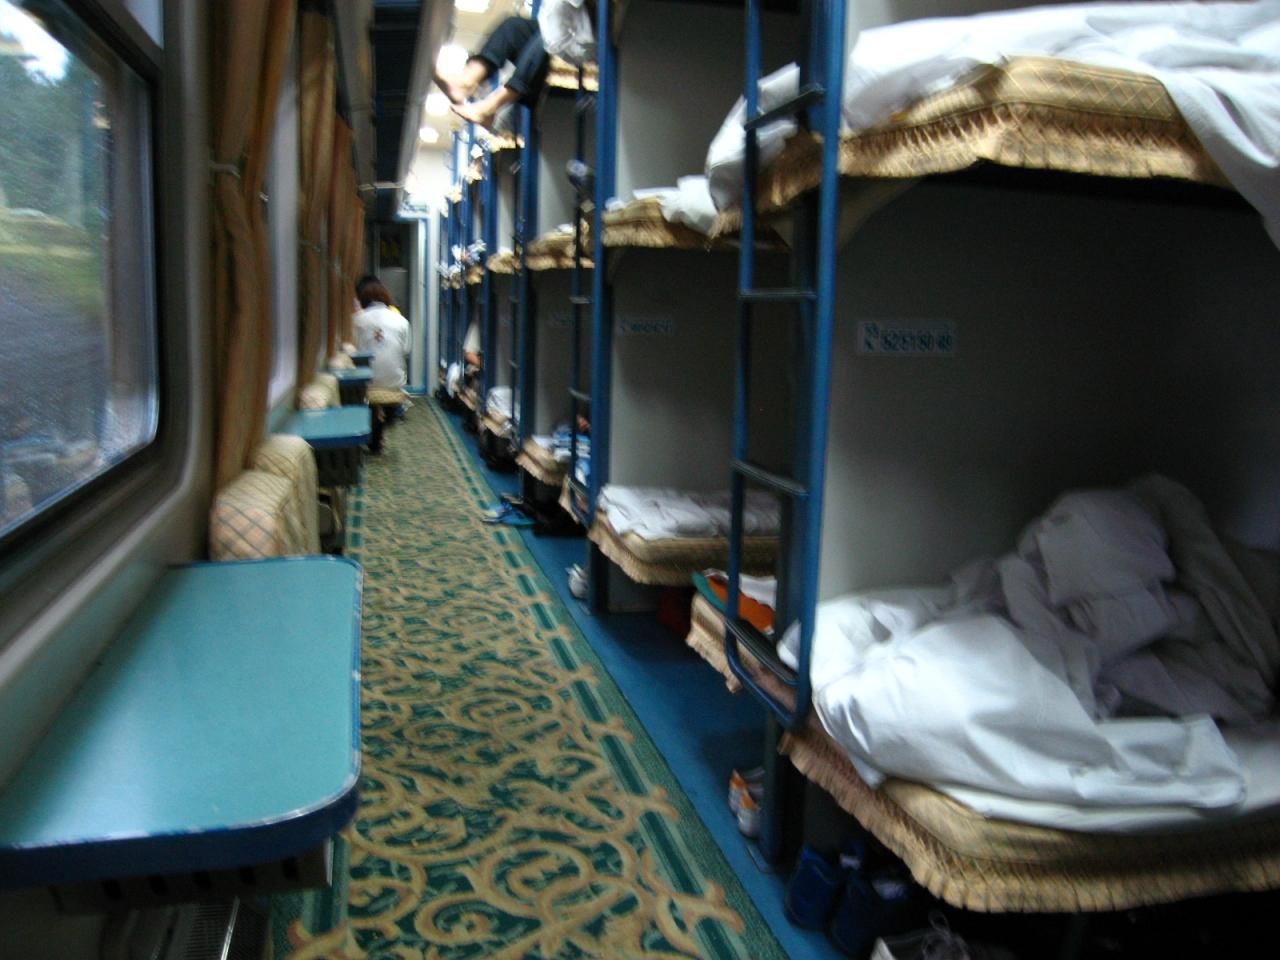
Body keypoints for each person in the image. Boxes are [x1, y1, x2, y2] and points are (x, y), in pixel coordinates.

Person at [434, 0, 596, 130]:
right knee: (512, 28)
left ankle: (490, 107)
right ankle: (467, 82)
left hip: (587, 38)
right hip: (572, 25)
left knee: (544, 41)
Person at [353, 281, 411, 453]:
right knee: (390, 377)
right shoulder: (401, 321)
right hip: (394, 380)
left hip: (367, 381)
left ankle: (373, 431)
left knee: (366, 387)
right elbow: (406, 350)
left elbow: (354, 350)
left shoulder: (357, 320)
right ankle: (385, 418)